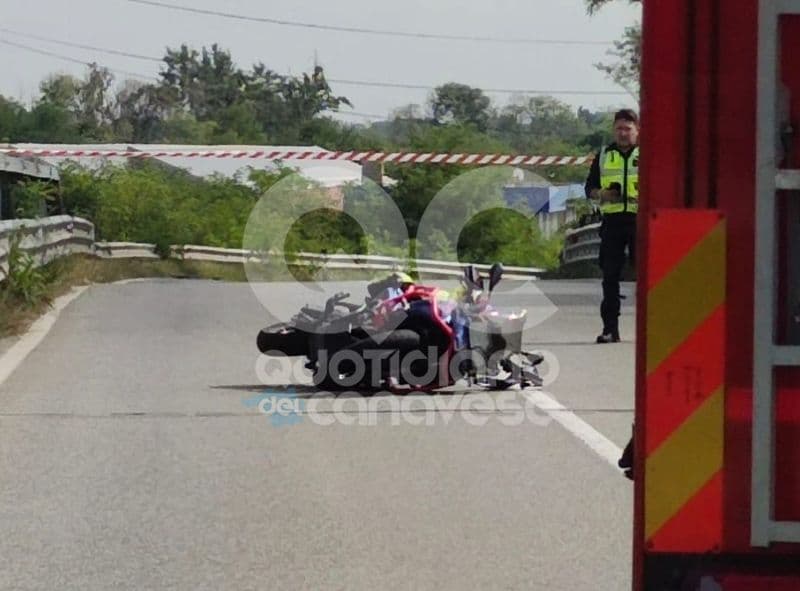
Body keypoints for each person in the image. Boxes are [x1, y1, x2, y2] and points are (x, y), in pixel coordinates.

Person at [584, 108, 640, 344]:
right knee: (610, 277)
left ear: (638, 130)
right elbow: (590, 189)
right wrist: (603, 194)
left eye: (628, 129)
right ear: (613, 130)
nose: (623, 133)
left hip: (642, 222)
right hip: (613, 223)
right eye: (619, 128)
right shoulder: (605, 155)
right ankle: (610, 329)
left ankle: (652, 330)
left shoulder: (650, 154)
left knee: (651, 278)